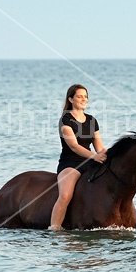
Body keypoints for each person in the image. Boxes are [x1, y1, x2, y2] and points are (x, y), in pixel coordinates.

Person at [49, 84, 107, 230]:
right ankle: (55, 228)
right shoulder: (65, 120)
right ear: (71, 99)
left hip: (90, 162)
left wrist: (109, 156)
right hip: (70, 164)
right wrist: (94, 156)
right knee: (65, 196)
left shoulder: (92, 120)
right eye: (80, 96)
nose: (84, 99)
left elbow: (99, 147)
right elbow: (73, 146)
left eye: (86, 96)